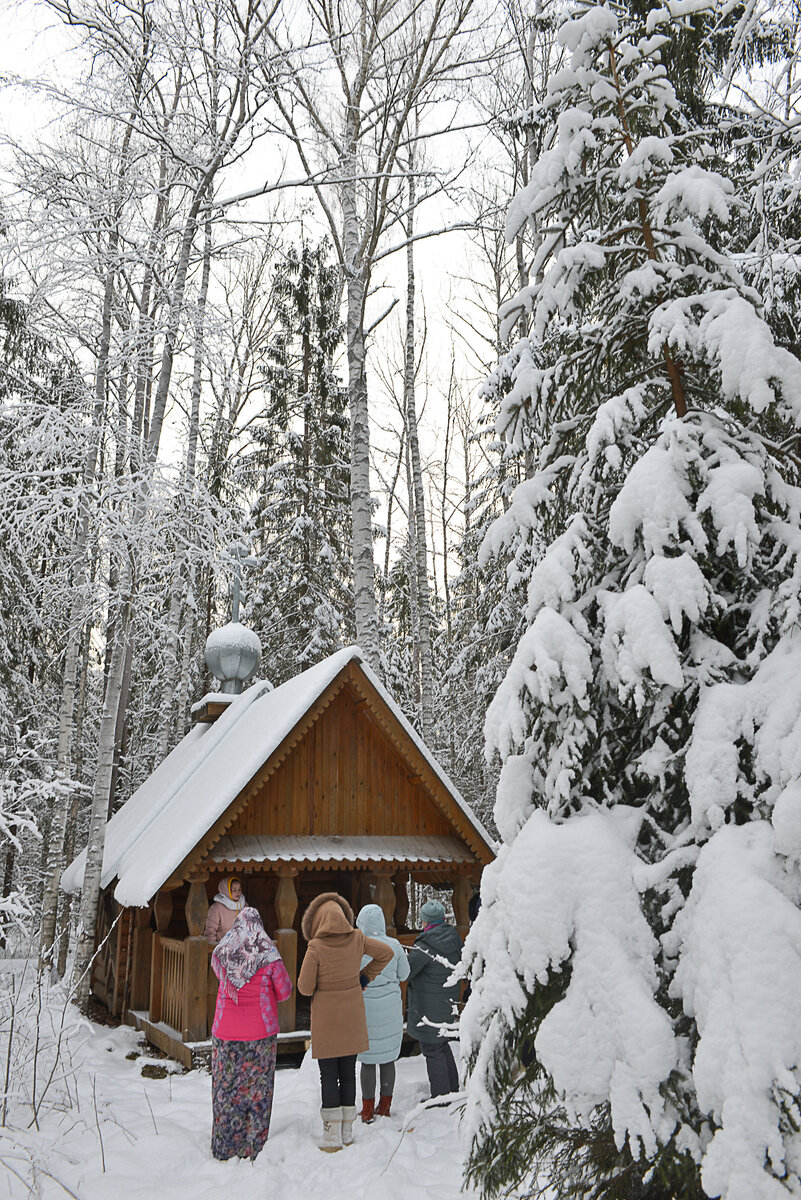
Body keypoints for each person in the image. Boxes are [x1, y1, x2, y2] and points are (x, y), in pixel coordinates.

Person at [297, 892, 393, 1151]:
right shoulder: (358, 939)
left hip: (327, 1019)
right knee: (348, 1073)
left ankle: (331, 1136)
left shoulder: (315, 947)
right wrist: (362, 978)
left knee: (328, 1076)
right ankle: (347, 1131)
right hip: (352, 1015)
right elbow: (386, 953)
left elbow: (304, 987)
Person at [209, 906, 292, 1161]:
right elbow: (285, 991)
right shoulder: (269, 952)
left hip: (225, 1032)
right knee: (257, 1089)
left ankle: (225, 1145)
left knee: (227, 1089)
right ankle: (253, 1144)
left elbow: (220, 976)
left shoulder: (223, 951)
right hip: (260, 1034)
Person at [355, 903, 410, 1122]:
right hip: (390, 1011)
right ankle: (385, 1106)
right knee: (387, 1059)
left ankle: (367, 1109)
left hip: (364, 1011)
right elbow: (405, 974)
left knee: (368, 1061)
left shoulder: (357, 947)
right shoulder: (395, 946)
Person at [406, 898, 462, 1100]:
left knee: (432, 1048)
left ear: (426, 921)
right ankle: (452, 1089)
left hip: (429, 1005)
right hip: (447, 1001)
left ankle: (440, 1097)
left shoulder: (425, 945)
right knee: (441, 1044)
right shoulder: (454, 938)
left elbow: (408, 971)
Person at [204, 875, 246, 944]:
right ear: (226, 890)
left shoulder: (244, 905)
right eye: (234, 890)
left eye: (239, 889)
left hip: (241, 948)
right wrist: (212, 948)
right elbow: (210, 930)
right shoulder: (216, 908)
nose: (237, 892)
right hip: (223, 948)